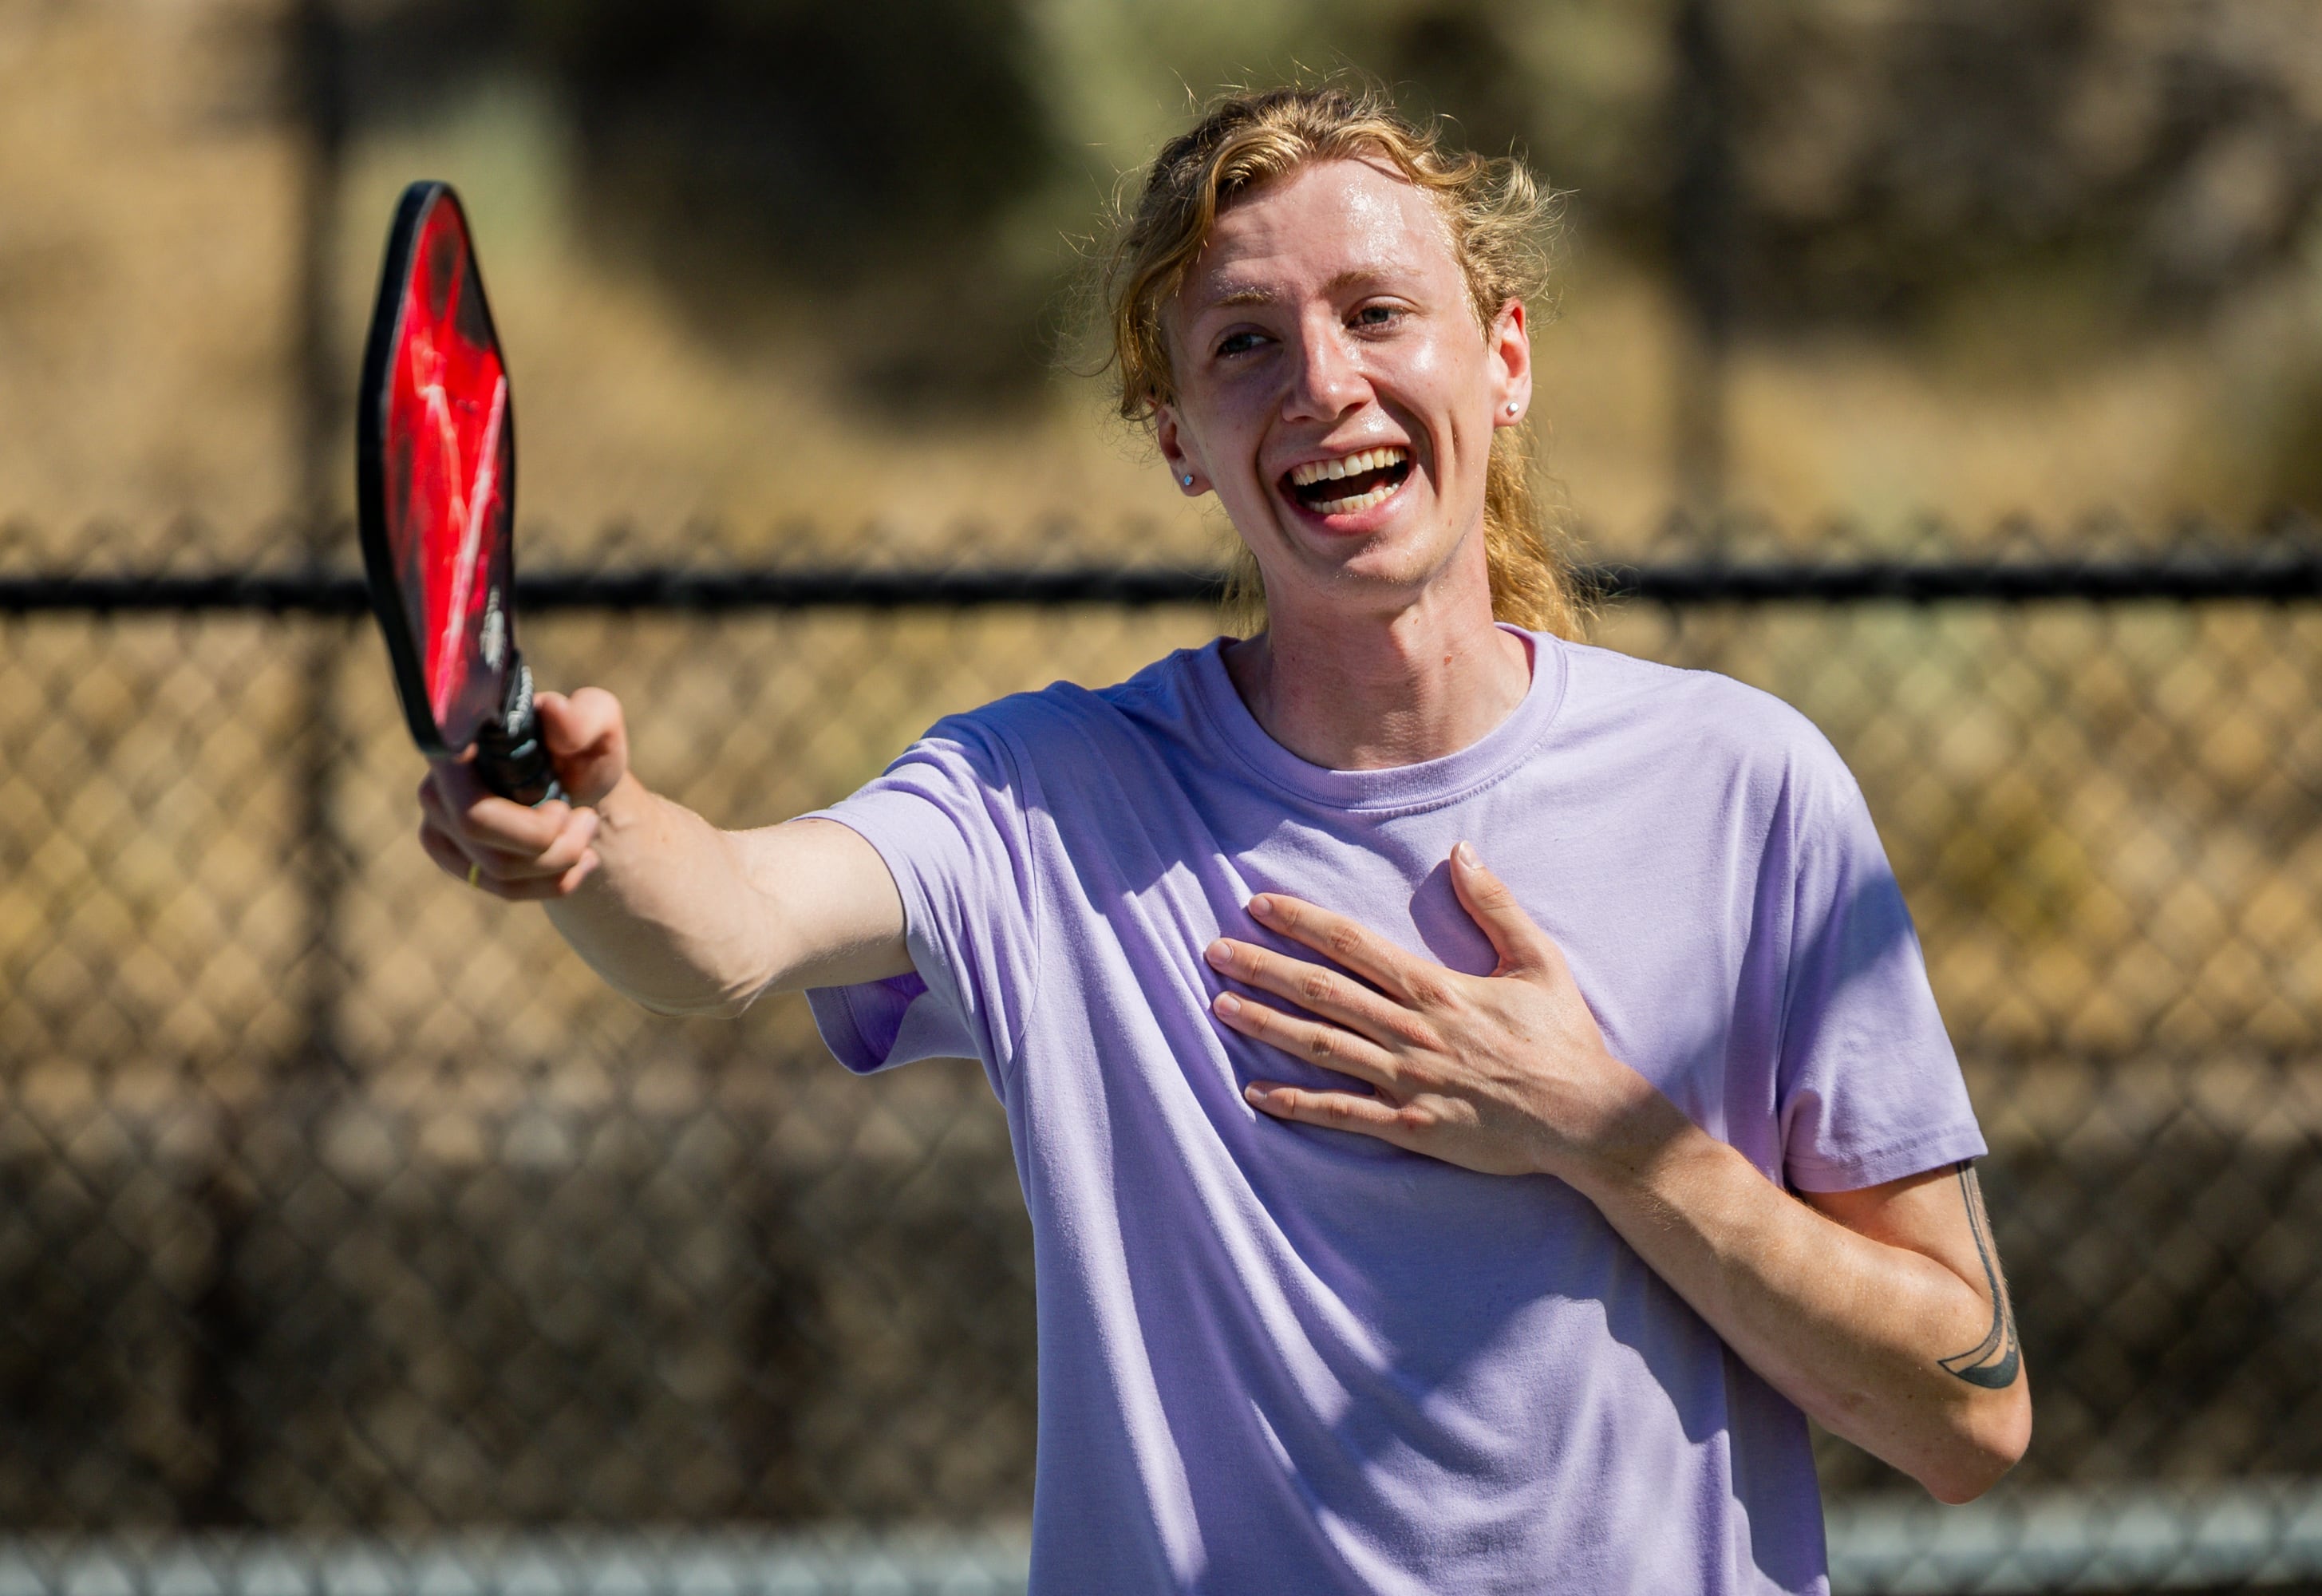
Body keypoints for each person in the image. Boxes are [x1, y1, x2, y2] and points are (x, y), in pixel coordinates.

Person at [417, 84, 2029, 1596]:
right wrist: (593, 827)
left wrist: (1599, 1126)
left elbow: (1969, 1413)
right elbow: (733, 924)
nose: (1324, 382)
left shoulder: (1745, 785)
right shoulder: (1046, 798)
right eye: (1246, 343)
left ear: (1506, 362)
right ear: (1180, 437)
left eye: (1378, 312)